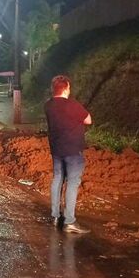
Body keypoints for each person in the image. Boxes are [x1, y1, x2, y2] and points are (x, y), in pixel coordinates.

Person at [44, 75, 92, 234]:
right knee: (72, 183)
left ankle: (55, 216)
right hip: (73, 150)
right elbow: (88, 120)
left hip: (57, 150)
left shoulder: (48, 105)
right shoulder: (72, 104)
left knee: (57, 179)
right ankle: (69, 222)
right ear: (66, 88)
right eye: (69, 87)